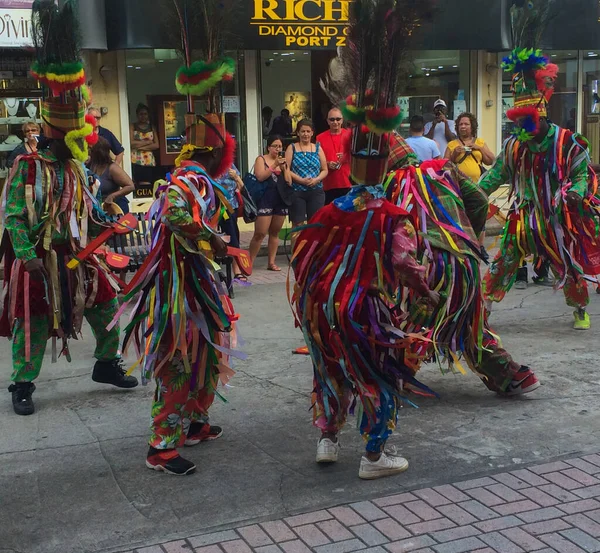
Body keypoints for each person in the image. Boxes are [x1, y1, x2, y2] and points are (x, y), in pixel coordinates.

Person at [291, 0, 442, 480]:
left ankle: (328, 439)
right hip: (368, 310)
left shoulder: (334, 207)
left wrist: (317, 295)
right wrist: (426, 289)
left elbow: (302, 254)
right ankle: (375, 456)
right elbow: (404, 264)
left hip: (326, 307)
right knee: (377, 376)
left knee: (331, 370)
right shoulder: (394, 214)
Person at [0, 0, 138, 417]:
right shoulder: (26, 166)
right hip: (39, 260)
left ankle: (106, 364)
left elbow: (88, 209)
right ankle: (22, 384)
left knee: (106, 304)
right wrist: (26, 257)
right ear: (50, 132)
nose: (77, 143)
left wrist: (108, 219)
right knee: (33, 322)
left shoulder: (75, 166)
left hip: (79, 255)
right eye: (70, 137)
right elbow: (12, 216)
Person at [120, 12, 240, 473]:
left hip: (198, 282)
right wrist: (217, 242)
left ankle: (193, 423)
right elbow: (173, 215)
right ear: (214, 150)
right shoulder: (187, 180)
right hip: (177, 286)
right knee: (177, 357)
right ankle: (161, 446)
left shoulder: (201, 179)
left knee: (206, 350)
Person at [385, 132, 539, 396]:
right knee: (470, 323)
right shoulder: (443, 168)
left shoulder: (391, 184)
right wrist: (468, 235)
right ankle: (514, 376)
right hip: (465, 262)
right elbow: (479, 199)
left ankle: (396, 375)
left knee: (416, 318)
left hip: (431, 264)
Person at [481, 43, 600, 330]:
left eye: (527, 121)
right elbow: (494, 175)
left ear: (542, 116)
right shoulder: (513, 146)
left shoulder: (567, 142)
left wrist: (575, 192)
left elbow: (582, 174)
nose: (521, 128)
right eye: (518, 122)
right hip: (523, 216)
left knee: (567, 263)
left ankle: (580, 308)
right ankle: (483, 307)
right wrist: (472, 192)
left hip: (557, 218)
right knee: (504, 260)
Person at [248, 135, 291, 272]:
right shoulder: (261, 159)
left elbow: (289, 181)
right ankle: (249, 262)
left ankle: (271, 262)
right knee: (260, 233)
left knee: (275, 232)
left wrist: (284, 169)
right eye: (275, 146)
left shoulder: (284, 162)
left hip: (280, 199)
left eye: (280, 147)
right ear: (268, 147)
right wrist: (274, 165)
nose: (278, 149)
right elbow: (260, 176)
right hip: (265, 198)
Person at [285, 119, 328, 227]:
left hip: (316, 191)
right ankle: (296, 244)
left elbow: (325, 169)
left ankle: (312, 244)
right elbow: (286, 169)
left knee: (315, 224)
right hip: (297, 191)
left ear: (312, 133)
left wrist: (317, 179)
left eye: (308, 131)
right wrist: (301, 180)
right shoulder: (292, 148)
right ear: (298, 133)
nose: (305, 134)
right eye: (303, 131)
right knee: (297, 224)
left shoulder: (318, 148)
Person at [87, 137, 135, 214]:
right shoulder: (90, 166)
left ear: (97, 152)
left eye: (89, 149)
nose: (87, 151)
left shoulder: (112, 168)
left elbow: (130, 186)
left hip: (116, 209)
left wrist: (112, 196)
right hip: (99, 211)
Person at [445, 112, 495, 182]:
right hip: (459, 185)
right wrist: (454, 155)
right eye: (460, 124)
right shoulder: (452, 144)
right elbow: (445, 166)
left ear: (472, 126)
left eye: (466, 124)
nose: (463, 126)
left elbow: (492, 161)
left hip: (478, 185)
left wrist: (480, 148)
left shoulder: (480, 142)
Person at [316, 107, 351, 204]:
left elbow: (359, 157)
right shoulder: (320, 138)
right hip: (328, 183)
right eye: (332, 119)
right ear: (327, 121)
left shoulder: (351, 135)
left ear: (342, 120)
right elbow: (315, 160)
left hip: (348, 182)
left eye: (338, 119)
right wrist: (327, 163)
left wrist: (346, 157)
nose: (335, 122)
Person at [217, 163, 244, 278]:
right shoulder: (209, 165)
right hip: (213, 207)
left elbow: (241, 186)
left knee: (233, 235)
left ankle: (237, 269)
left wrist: (236, 177)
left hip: (231, 206)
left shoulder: (230, 165)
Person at [130, 103, 159, 190]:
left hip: (148, 161)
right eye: (141, 114)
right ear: (137, 115)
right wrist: (148, 142)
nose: (143, 116)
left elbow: (156, 145)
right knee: (136, 183)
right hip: (135, 160)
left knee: (147, 184)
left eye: (145, 114)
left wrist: (139, 146)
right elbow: (131, 143)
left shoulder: (152, 127)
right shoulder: (132, 126)